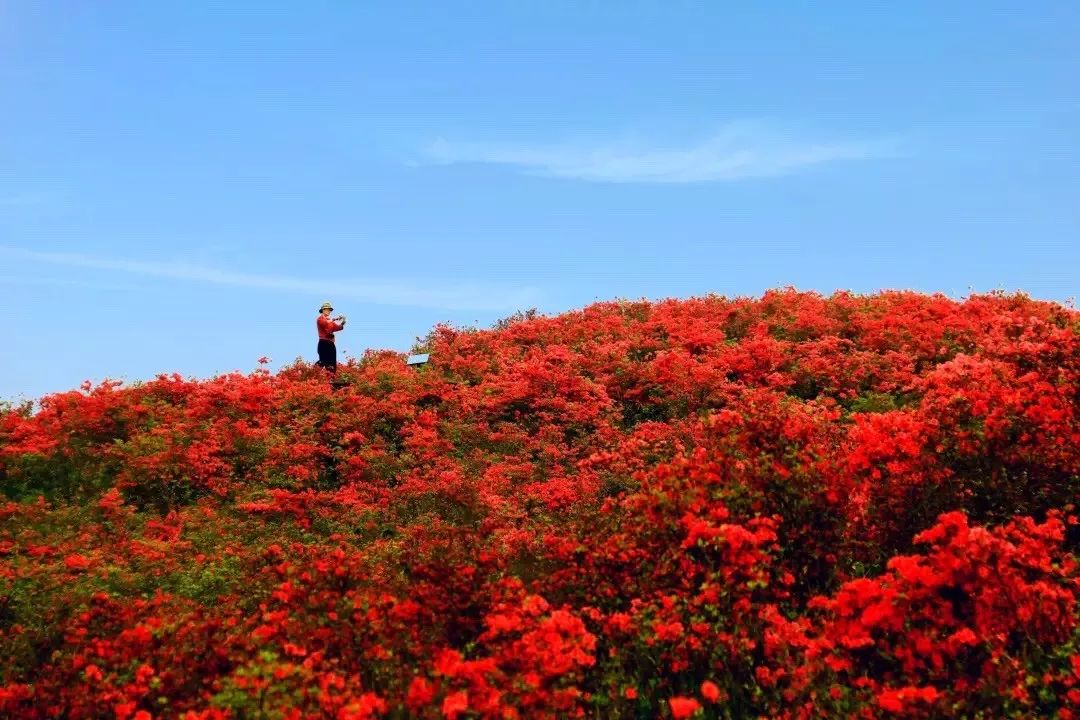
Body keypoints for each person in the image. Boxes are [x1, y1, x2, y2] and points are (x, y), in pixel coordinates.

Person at [315, 302, 346, 372]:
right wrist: (334, 319)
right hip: (323, 343)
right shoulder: (320, 319)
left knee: (332, 363)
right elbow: (325, 324)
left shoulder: (330, 321)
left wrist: (343, 322)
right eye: (326, 309)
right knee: (323, 361)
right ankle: (312, 374)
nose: (328, 311)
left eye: (329, 310)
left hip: (331, 344)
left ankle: (331, 380)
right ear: (322, 310)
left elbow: (337, 327)